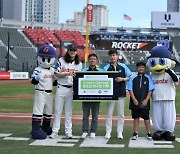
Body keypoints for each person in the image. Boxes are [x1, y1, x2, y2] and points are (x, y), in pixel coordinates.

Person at [50, 44, 82, 139]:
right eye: (71, 50)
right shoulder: (61, 60)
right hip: (61, 87)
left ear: (76, 52)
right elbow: (56, 74)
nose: (72, 52)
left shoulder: (79, 64)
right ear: (68, 51)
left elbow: (78, 78)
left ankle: (68, 131)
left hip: (71, 89)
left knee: (69, 112)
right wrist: (67, 73)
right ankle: (55, 131)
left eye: (74, 50)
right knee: (58, 111)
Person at [103, 49, 132, 139]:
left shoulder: (123, 66)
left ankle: (120, 132)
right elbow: (103, 79)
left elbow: (129, 76)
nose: (112, 57)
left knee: (121, 114)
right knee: (109, 113)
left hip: (120, 92)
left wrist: (122, 79)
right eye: (111, 55)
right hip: (110, 94)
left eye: (114, 55)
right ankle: (108, 132)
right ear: (109, 57)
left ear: (117, 56)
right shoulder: (106, 68)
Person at [31, 44, 56, 139]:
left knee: (48, 111)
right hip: (40, 92)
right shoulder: (38, 69)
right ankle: (36, 130)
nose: (46, 61)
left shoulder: (53, 70)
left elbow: (54, 83)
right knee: (38, 110)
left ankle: (45, 127)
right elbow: (33, 81)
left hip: (49, 93)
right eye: (43, 58)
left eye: (48, 59)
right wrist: (37, 78)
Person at [126, 61, 154, 140]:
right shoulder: (133, 78)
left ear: (145, 68)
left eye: (142, 67)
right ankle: (135, 133)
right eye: (139, 67)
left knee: (146, 118)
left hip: (145, 102)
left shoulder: (148, 78)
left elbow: (150, 90)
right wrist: (134, 99)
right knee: (136, 118)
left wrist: (146, 100)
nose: (141, 68)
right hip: (135, 102)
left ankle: (148, 133)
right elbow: (130, 89)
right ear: (137, 68)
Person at [81, 53, 103, 139]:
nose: (92, 60)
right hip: (85, 96)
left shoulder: (101, 71)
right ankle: (85, 131)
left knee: (95, 115)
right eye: (91, 59)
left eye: (94, 59)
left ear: (96, 60)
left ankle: (93, 131)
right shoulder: (83, 71)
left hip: (96, 96)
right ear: (88, 60)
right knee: (85, 115)